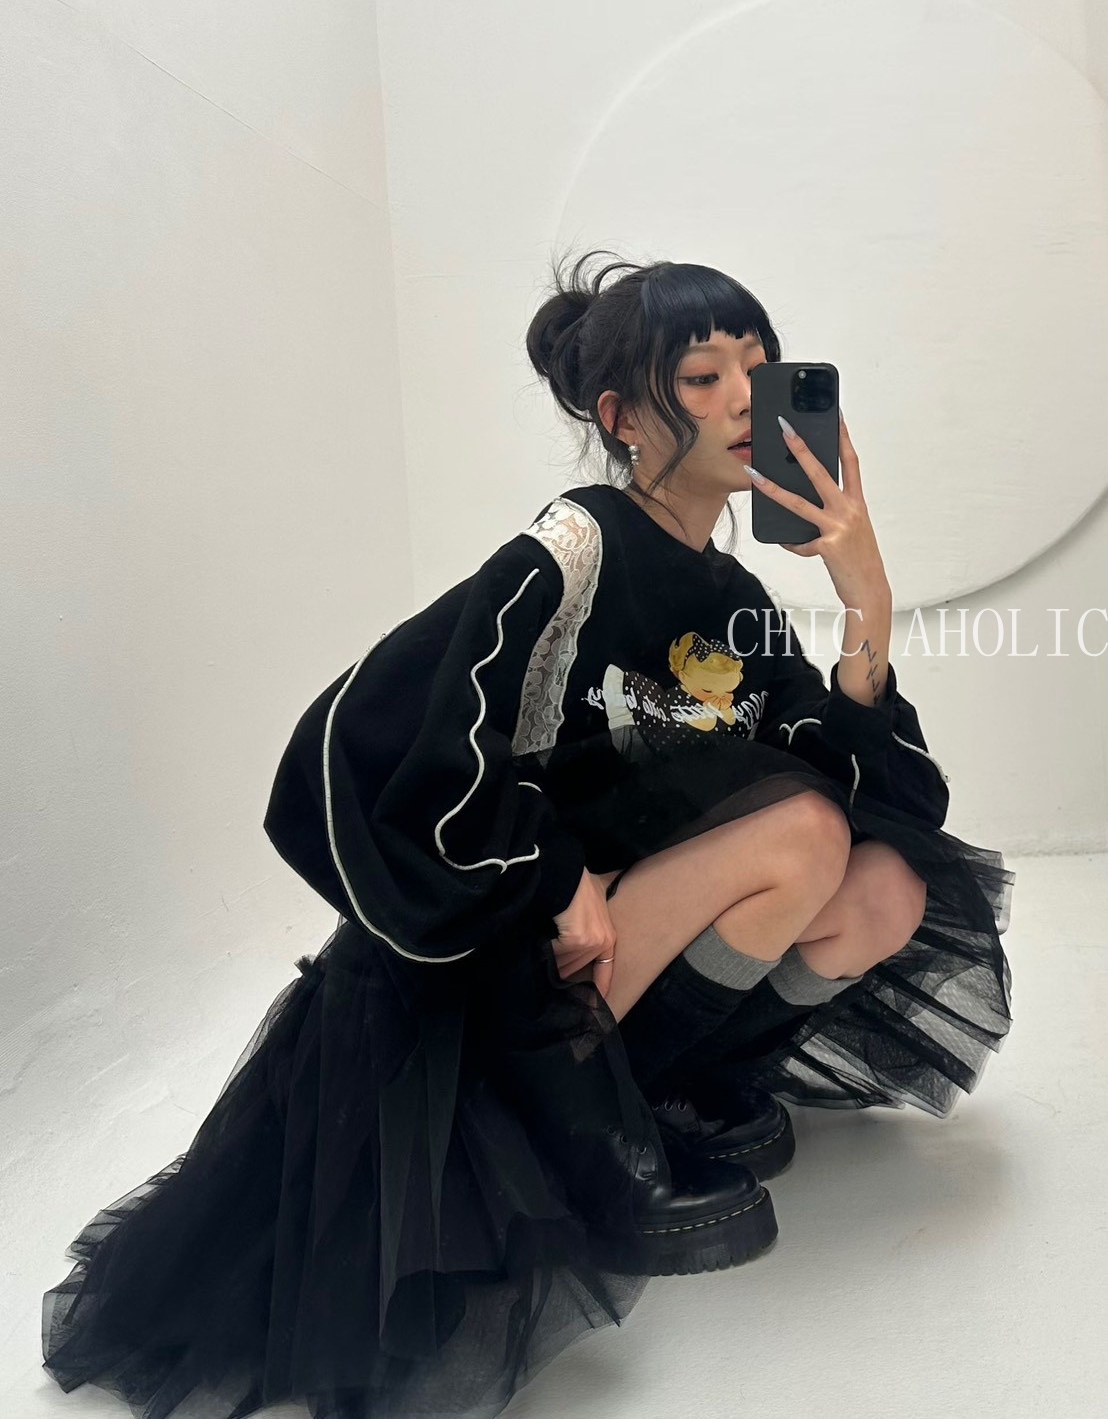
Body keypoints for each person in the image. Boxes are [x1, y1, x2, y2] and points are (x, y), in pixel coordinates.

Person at [41, 251, 1015, 1419]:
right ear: (623, 418)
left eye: (758, 369)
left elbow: (877, 784)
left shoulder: (734, 598)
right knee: (799, 836)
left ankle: (665, 1094)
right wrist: (549, 872)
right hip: (517, 957)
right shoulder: (577, 546)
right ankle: (581, 1138)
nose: (743, 400)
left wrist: (868, 601)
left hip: (626, 943)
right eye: (702, 377)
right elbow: (377, 728)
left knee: (882, 888)